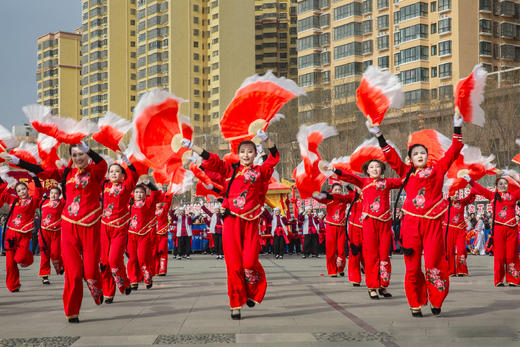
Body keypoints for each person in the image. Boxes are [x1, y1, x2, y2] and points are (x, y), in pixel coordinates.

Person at [370, 113, 464, 317]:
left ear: (427, 156)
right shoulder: (406, 172)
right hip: (410, 225)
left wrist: (457, 125)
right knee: (412, 269)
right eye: (416, 154)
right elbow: (391, 157)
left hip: (432, 225)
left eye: (423, 153)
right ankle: (415, 302)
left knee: (433, 264)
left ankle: (436, 299)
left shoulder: (438, 170)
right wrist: (379, 134)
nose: (420, 155)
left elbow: (455, 150)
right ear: (411, 159)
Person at [184, 129, 279, 320]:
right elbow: (213, 161)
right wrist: (192, 147)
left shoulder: (261, 171)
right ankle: (236, 304)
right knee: (234, 266)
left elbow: (274, 157)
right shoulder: (230, 169)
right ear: (238, 154)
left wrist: (266, 139)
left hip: (251, 222)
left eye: (250, 151)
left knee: (250, 263)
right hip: (231, 221)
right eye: (242, 151)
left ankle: (252, 291)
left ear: (255, 154)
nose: (246, 155)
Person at [10, 141, 107, 322]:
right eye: (75, 155)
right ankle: (72, 311)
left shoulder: (95, 172)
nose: (78, 158)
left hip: (91, 225)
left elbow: (102, 164)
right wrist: (17, 161)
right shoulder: (66, 173)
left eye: (82, 154)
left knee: (91, 271)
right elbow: (41, 171)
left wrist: (89, 149)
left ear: (87, 154)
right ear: (71, 157)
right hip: (69, 226)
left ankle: (96, 287)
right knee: (74, 273)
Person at [332, 159, 402, 299]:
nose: (375, 169)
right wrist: (335, 170)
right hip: (369, 222)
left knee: (384, 255)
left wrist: (412, 168)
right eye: (371, 167)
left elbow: (404, 181)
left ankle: (383, 285)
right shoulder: (364, 182)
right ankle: (372, 287)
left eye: (377, 167)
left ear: (382, 170)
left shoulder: (387, 182)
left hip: (385, 223)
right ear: (367, 171)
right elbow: (350, 176)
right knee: (371, 255)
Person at [468, 176, 520, 286]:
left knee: (512, 255)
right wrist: (469, 180)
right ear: (496, 186)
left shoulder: (513, 195)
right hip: (498, 229)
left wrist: (517, 178)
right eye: (500, 184)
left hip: (512, 229)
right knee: (499, 256)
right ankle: (499, 280)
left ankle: (513, 279)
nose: (503, 185)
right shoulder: (492, 196)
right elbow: (480, 188)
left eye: (505, 183)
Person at [99, 156, 138, 303]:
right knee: (105, 262)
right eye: (111, 171)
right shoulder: (104, 185)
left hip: (120, 228)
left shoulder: (126, 186)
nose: (114, 174)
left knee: (114, 259)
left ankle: (124, 283)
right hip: (104, 227)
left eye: (117, 171)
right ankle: (108, 292)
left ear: (123, 175)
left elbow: (134, 175)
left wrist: (127, 162)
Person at [0, 174, 42, 292]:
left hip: (25, 234)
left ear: (27, 190)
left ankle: (29, 257)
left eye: (23, 189)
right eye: (19, 190)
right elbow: (2, 194)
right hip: (11, 234)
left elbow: (39, 191)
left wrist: (35, 177)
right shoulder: (13, 200)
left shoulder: (33, 201)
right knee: (10, 263)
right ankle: (13, 285)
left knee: (19, 258)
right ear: (16, 193)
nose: (22, 192)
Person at [312, 183, 356, 277]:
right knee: (330, 250)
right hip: (331, 227)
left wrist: (348, 186)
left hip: (341, 227)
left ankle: (340, 268)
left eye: (339, 190)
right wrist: (324, 193)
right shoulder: (328, 199)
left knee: (341, 250)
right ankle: (332, 271)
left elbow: (353, 196)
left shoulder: (344, 199)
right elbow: (317, 196)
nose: (338, 191)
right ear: (332, 191)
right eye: (335, 190)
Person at [127, 181, 161, 290]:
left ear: (145, 193)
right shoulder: (129, 204)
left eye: (141, 192)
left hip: (144, 234)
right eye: (136, 192)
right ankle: (133, 280)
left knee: (142, 258)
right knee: (132, 259)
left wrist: (150, 183)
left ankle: (147, 277)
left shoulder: (149, 202)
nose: (139, 194)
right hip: (131, 235)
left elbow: (156, 192)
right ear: (133, 193)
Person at [443, 191, 475, 276]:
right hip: (448, 229)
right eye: (454, 193)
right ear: (449, 194)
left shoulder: (462, 202)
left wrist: (471, 186)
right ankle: (450, 271)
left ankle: (461, 270)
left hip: (460, 230)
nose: (456, 195)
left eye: (457, 194)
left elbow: (470, 198)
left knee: (461, 249)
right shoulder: (445, 202)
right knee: (449, 250)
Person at [39, 186, 65, 284]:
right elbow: (36, 195)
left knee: (55, 253)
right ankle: (44, 275)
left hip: (56, 232)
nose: (53, 195)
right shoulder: (43, 202)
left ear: (59, 195)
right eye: (51, 193)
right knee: (44, 253)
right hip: (43, 232)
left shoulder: (62, 203)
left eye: (56, 193)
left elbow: (67, 195)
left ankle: (59, 267)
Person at [346, 189, 364, 286]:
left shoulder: (370, 194)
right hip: (354, 228)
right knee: (354, 254)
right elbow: (341, 198)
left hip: (367, 227)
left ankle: (367, 270)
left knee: (368, 254)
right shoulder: (353, 196)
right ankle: (355, 278)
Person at [154, 188, 173, 274]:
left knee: (162, 250)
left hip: (162, 232)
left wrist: (170, 193)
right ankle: (156, 269)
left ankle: (162, 269)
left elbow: (168, 201)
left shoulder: (164, 209)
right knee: (155, 252)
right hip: (153, 233)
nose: (159, 202)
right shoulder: (150, 208)